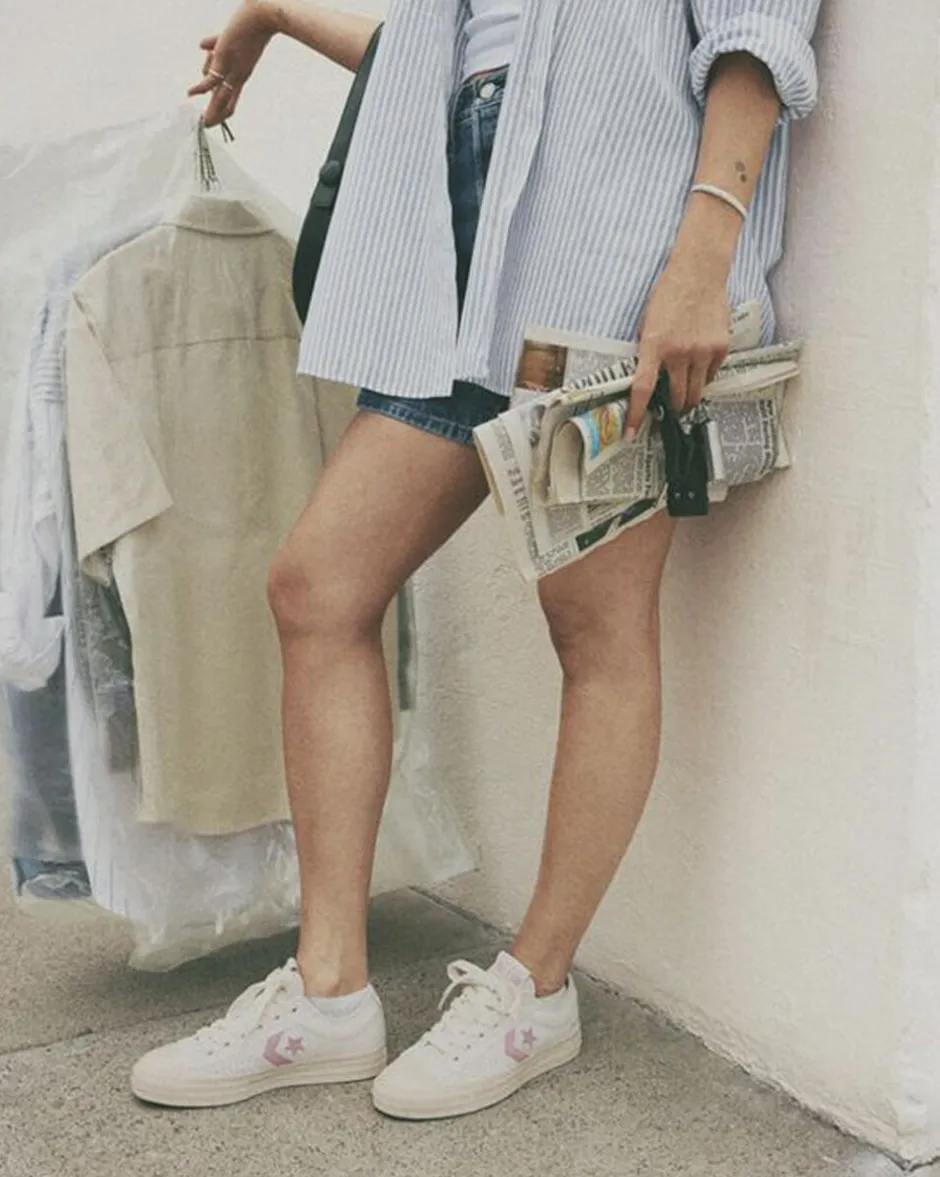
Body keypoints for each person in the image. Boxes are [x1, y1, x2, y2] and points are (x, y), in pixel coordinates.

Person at [132, 0, 822, 1121]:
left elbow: (754, 36)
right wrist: (276, 14)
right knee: (317, 587)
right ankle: (329, 993)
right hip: (461, 250)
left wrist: (704, 255)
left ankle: (535, 990)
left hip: (607, 251)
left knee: (593, 624)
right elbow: (466, 55)